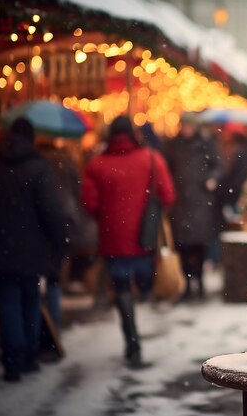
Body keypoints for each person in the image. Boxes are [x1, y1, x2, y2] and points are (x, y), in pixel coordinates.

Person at [0, 118, 67, 382]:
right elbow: (52, 214)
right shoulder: (38, 168)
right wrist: (57, 243)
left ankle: (13, 361)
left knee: (8, 304)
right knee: (31, 302)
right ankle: (29, 357)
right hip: (32, 251)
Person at [81, 115, 175, 367]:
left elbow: (89, 204)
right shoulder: (152, 159)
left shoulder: (96, 164)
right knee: (144, 282)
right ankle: (145, 294)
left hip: (113, 241)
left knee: (121, 290)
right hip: (145, 239)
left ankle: (131, 340)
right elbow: (167, 195)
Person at [164, 113, 222, 300]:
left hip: (201, 201)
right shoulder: (173, 145)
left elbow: (217, 166)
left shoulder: (206, 144)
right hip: (180, 202)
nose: (186, 129)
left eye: (189, 126)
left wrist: (212, 179)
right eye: (184, 125)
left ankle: (200, 280)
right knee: (182, 246)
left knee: (200, 244)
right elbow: (167, 169)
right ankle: (188, 283)